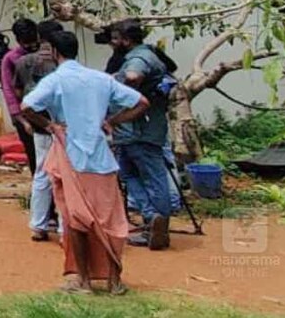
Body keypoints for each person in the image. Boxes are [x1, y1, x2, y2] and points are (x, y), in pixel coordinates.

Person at [21, 31, 150, 296]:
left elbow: (26, 106)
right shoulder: (101, 79)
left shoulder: (55, 80)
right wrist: (112, 122)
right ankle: (114, 281)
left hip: (70, 153)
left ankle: (84, 280)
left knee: (75, 218)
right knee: (112, 219)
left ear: (55, 52)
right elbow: (142, 102)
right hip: (102, 157)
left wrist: (50, 125)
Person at [108, 19, 175, 250]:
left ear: (126, 40)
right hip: (133, 131)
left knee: (153, 177)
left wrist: (117, 85)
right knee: (128, 173)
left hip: (140, 129)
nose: (112, 43)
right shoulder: (149, 53)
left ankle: (158, 223)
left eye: (115, 38)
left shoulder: (139, 57)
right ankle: (152, 220)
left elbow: (134, 76)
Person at [14, 20, 64, 241]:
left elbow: (17, 91)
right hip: (61, 125)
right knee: (64, 175)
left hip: (37, 123)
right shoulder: (61, 62)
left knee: (42, 173)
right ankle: (65, 226)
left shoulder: (23, 61)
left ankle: (38, 224)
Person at [1, 19, 40, 175]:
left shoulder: (45, 53)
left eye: (34, 42)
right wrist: (21, 120)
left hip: (47, 114)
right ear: (18, 41)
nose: (32, 47)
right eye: (27, 43)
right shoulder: (10, 59)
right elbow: (9, 92)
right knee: (33, 154)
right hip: (25, 116)